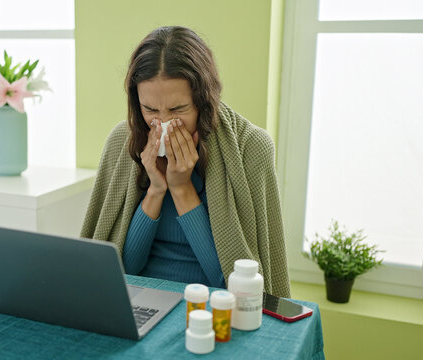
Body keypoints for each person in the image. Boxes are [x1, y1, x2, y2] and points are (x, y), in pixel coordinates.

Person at [80, 26, 290, 297]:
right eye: (150, 109)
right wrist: (156, 189)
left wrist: (181, 189)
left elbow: (232, 281)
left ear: (204, 101)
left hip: (213, 305)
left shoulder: (250, 147)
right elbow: (121, 271)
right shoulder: (123, 142)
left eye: (178, 109)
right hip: (137, 299)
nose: (164, 123)